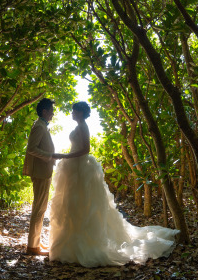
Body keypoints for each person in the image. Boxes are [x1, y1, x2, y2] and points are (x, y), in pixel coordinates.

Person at [48, 101, 179, 267]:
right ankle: (69, 245)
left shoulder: (84, 126)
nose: (72, 113)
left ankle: (83, 244)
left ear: (80, 113)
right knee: (72, 204)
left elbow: (86, 149)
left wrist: (65, 156)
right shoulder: (80, 125)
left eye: (74, 111)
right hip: (73, 168)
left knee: (83, 204)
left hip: (80, 167)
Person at [22, 97, 56, 256]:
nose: (53, 114)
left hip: (43, 171)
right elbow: (31, 149)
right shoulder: (39, 127)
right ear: (44, 111)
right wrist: (50, 156)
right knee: (38, 209)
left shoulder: (42, 125)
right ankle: (32, 246)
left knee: (41, 208)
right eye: (51, 111)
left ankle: (35, 242)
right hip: (41, 172)